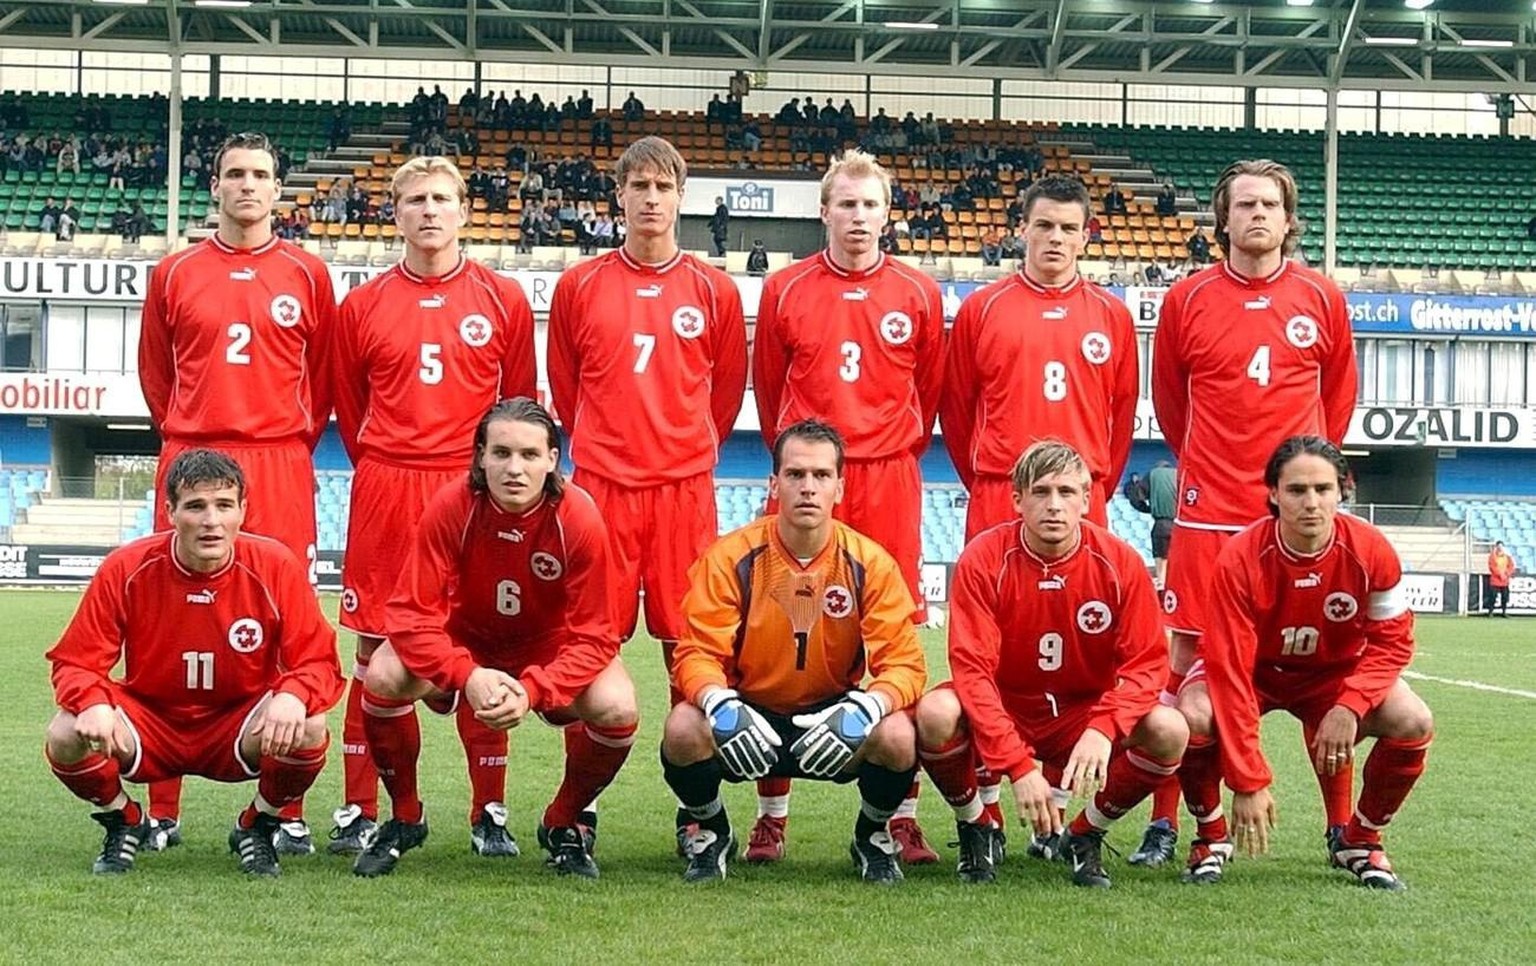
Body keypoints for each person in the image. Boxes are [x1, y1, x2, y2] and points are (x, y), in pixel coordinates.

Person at [1146, 159, 1359, 876]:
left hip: (1292, 519)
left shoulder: (1322, 298)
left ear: (1290, 219)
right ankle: (1169, 823)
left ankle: (1341, 828)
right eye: (1244, 204)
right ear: (1223, 219)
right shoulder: (1187, 299)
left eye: (1270, 204)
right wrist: (1210, 470)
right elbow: (1172, 403)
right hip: (1209, 517)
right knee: (1185, 668)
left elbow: (1337, 407)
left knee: (1321, 662)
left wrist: (1297, 484)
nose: (1258, 215)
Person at [136, 131, 337, 855]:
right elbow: (156, 375)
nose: (247, 186)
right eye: (233, 175)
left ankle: (280, 808)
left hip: (279, 461)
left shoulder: (309, 274)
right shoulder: (175, 271)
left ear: (277, 189)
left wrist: (282, 440)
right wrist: (192, 437)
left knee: (291, 627)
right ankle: (162, 807)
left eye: (259, 174)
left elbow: (327, 381)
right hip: (191, 448)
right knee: (168, 621)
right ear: (213, 187)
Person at [332, 156, 537, 860]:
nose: (429, 210)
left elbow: (517, 409)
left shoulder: (502, 299)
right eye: (415, 199)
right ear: (395, 213)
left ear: (463, 211)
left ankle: (490, 812)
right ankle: (368, 808)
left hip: (470, 493)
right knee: (373, 649)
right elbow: (348, 403)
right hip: (388, 485)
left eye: (442, 198)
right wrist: (392, 459)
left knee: (481, 643)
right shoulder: (360, 305)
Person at [548, 135, 747, 843]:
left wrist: (680, 452)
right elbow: (567, 393)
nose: (652, 200)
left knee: (688, 651)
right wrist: (609, 451)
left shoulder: (714, 290)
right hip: (600, 490)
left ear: (680, 197)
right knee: (586, 649)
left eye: (664, 187)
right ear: (619, 197)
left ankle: (696, 813)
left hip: (683, 492)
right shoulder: (579, 286)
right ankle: (580, 808)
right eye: (639, 187)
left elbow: (723, 396)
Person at [749, 148, 944, 865]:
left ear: (887, 213)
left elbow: (933, 391)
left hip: (888, 477)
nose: (858, 218)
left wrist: (884, 451)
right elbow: (771, 390)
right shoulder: (785, 289)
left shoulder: (919, 293)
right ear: (823, 211)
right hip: (806, 481)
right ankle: (773, 813)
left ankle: (899, 815)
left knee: (897, 645)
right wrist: (804, 463)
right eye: (846, 204)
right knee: (776, 637)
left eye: (871, 205)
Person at [352, 398, 639, 878]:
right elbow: (409, 615)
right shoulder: (452, 506)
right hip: (465, 641)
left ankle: (563, 822)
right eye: (501, 453)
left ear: (553, 460)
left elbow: (596, 636)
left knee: (618, 705)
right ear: (480, 456)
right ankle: (405, 817)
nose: (514, 468)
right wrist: (466, 673)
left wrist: (533, 689)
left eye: (529, 455)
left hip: (546, 648)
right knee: (383, 673)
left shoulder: (578, 517)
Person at [44, 450, 343, 877]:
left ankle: (257, 825)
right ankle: (123, 820)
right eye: (195, 506)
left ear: (243, 510)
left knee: (310, 723)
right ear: (169, 512)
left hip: (236, 723)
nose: (211, 521)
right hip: (151, 722)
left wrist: (294, 694)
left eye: (224, 505)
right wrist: (91, 700)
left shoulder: (275, 565)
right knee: (64, 731)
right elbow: (75, 661)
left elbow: (318, 660)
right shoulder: (126, 567)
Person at [661, 420, 927, 884]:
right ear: (773, 483)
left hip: (833, 719)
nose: (808, 488)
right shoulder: (730, 557)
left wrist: (868, 707)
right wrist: (718, 702)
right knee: (683, 728)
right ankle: (713, 832)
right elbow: (696, 653)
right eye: (795, 474)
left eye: (821, 476)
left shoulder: (870, 562)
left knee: (898, 735)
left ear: (840, 487)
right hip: (748, 713)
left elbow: (905, 663)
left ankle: (870, 837)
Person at [915, 441, 1185, 887]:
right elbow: (972, 671)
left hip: (1082, 712)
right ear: (1017, 500)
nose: (1054, 505)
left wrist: (1105, 727)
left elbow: (1147, 665)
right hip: (1007, 706)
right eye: (1040, 492)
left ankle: (1085, 834)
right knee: (935, 713)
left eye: (1066, 492)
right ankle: (977, 824)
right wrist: (1019, 767)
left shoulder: (1121, 564)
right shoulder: (985, 558)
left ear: (1086, 499)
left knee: (1170, 730)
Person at [1176, 436, 1433, 890]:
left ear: (1342, 491)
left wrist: (1349, 705)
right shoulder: (1240, 558)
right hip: (1254, 674)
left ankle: (1360, 839)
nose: (1311, 502)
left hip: (1332, 676)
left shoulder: (1372, 550)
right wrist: (1248, 779)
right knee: (1192, 715)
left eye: (1322, 489)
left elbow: (1392, 644)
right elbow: (1230, 669)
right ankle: (1211, 837)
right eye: (1296, 490)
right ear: (1273, 494)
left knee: (1412, 719)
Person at [943, 174, 1138, 542]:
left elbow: (1122, 415)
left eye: (1068, 228)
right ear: (1023, 229)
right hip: (1002, 491)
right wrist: (990, 480)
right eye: (1045, 225)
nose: (1056, 237)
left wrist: (1087, 488)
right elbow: (956, 410)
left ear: (1084, 237)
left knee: (1083, 600)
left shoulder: (1112, 314)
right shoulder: (981, 309)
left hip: (1081, 494)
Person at [1487, 540, 1516, 617]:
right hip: (1495, 580)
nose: (1500, 548)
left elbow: (1511, 567)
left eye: (1501, 546)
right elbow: (1492, 567)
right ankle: (1490, 612)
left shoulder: (1507, 557)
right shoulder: (1492, 556)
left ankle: (1504, 611)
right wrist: (1500, 574)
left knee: (1505, 597)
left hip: (1505, 580)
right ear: (1496, 547)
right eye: (1498, 546)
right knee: (1492, 596)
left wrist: (1506, 574)